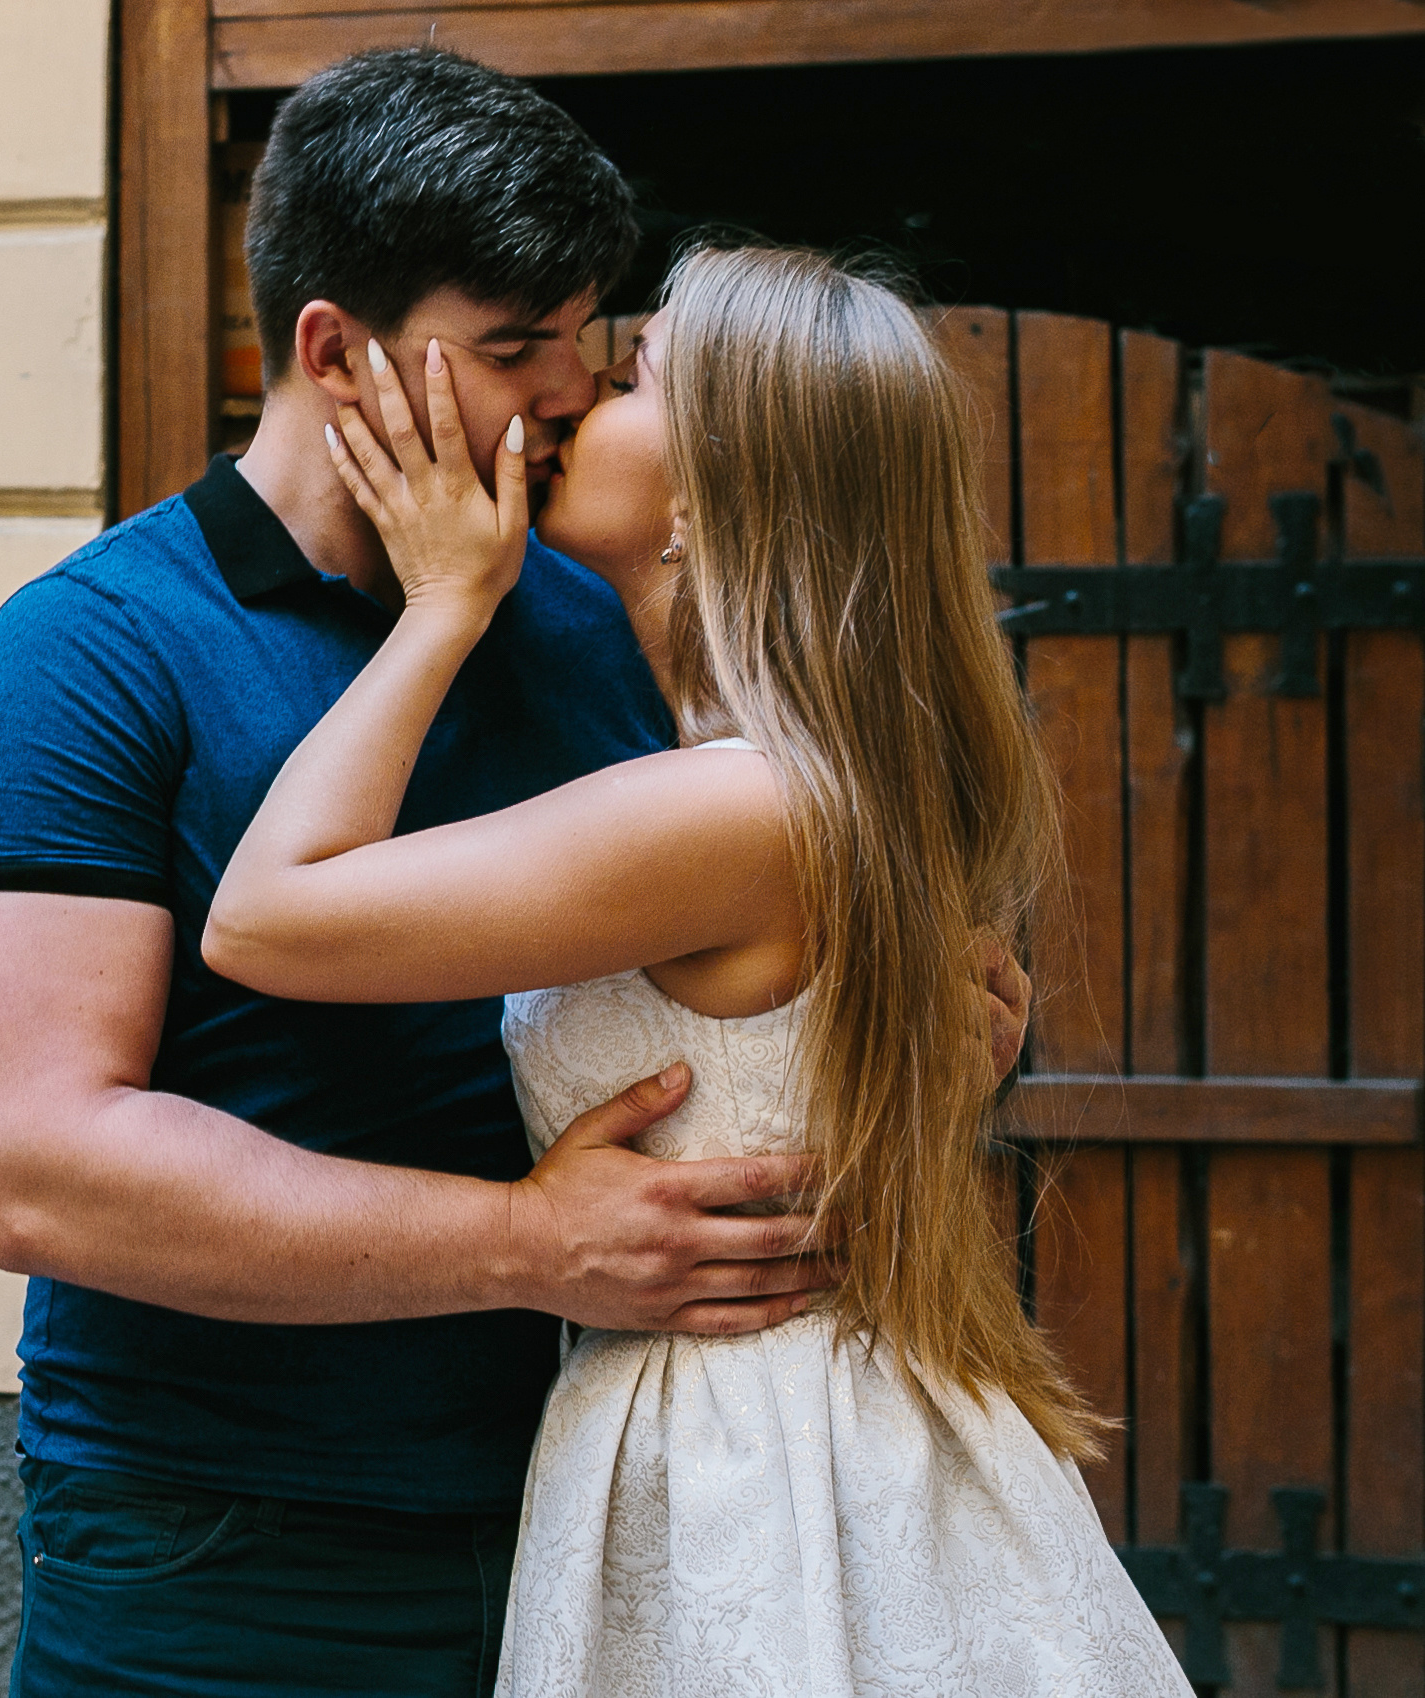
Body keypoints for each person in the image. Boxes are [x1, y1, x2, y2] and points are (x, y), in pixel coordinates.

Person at [0, 48, 1027, 1696]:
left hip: (605, 1504)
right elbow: (36, 1170)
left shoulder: (585, 620)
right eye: (514, 348)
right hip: (240, 1541)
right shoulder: (88, 650)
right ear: (331, 349)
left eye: (588, 337)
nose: (569, 390)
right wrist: (522, 1242)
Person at [203, 241, 1187, 1694]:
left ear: (715, 489)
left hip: (755, 1466)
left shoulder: (734, 805)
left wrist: (442, 606)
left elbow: (266, 917)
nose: (572, 397)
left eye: (632, 373)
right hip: (788, 1426)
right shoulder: (788, 781)